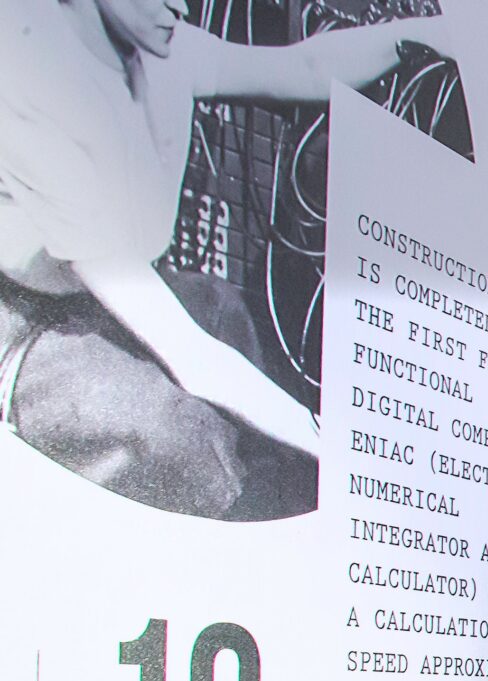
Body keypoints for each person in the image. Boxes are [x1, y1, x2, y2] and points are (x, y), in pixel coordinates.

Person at [0, 0, 448, 516]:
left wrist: (426, 36)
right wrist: (332, 447)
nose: (182, 4)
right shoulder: (35, 78)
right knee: (177, 434)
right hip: (19, 321)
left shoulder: (146, 39)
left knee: (224, 311)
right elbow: (194, 357)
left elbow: (301, 68)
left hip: (83, 295)